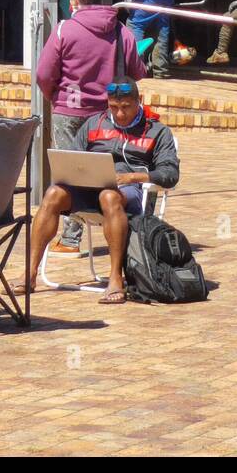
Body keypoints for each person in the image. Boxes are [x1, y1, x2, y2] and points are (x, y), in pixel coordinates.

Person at [21, 79, 180, 305]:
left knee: (109, 196)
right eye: (114, 107)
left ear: (139, 102)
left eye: (126, 107)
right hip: (89, 188)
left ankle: (115, 277)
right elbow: (74, 157)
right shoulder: (95, 123)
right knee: (54, 193)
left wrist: (133, 176)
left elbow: (170, 173)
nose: (120, 113)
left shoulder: (157, 131)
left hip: (129, 192)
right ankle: (30, 272)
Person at [36, 0, 147, 255]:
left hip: (68, 110)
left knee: (68, 175)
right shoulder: (120, 30)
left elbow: (44, 73)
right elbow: (137, 71)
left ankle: (71, 237)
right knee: (104, 174)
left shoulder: (64, 29)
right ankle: (112, 222)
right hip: (106, 114)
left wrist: (55, 97)